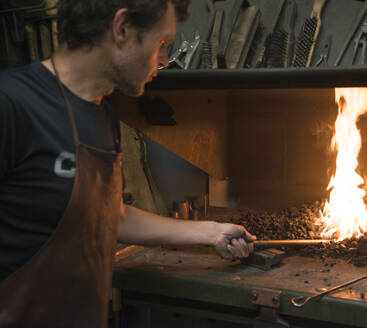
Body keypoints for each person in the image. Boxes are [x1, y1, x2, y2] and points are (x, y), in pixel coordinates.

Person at [0, 0, 255, 326]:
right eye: (161, 43)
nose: (164, 60)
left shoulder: (103, 114)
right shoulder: (12, 105)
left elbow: (111, 214)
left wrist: (210, 233)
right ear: (121, 29)